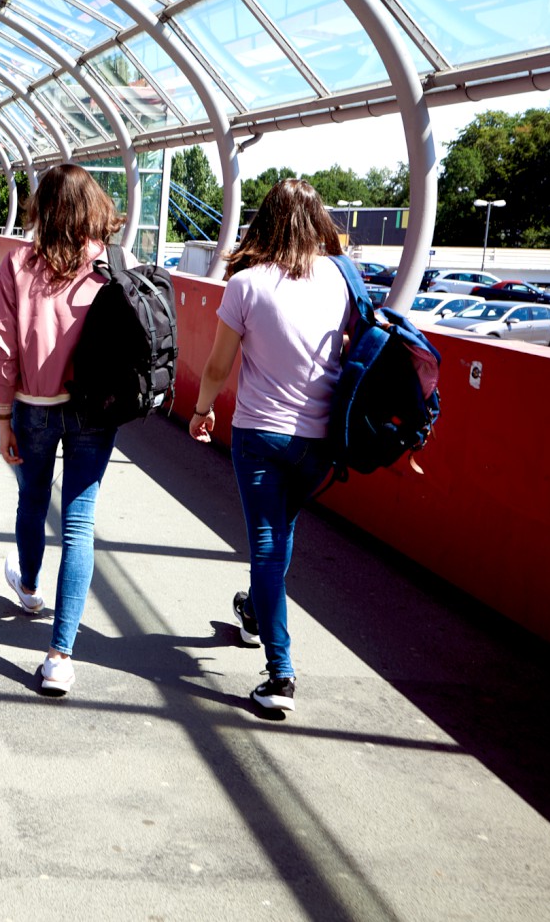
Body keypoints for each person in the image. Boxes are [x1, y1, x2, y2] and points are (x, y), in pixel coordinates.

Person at [189, 179, 351, 716]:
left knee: (265, 546)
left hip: (260, 434)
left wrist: (202, 409)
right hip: (318, 440)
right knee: (279, 537)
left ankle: (279, 674)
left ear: (267, 220)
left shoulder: (248, 283)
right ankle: (256, 616)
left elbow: (217, 365)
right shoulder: (341, 278)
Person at [0, 165, 124, 696]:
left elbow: (4, 348)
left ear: (42, 207)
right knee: (79, 523)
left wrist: (3, 417)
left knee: (31, 497)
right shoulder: (112, 264)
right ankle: (59, 657)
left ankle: (27, 588)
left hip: (34, 405)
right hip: (94, 408)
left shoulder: (19, 263)